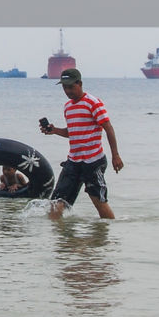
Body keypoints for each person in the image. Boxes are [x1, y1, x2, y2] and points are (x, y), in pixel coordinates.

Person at [40, 68, 123, 219]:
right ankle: (61, 241)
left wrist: (115, 155)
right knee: (56, 203)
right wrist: (54, 130)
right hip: (73, 161)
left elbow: (108, 128)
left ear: (80, 83)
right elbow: (72, 132)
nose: (67, 90)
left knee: (98, 200)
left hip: (93, 161)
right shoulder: (68, 107)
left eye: (70, 86)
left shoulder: (93, 103)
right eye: (64, 87)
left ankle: (108, 236)